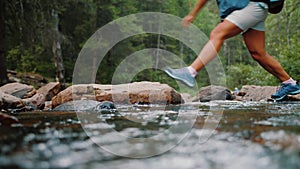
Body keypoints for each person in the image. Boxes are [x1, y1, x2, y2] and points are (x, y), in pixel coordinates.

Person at [164, 0, 300, 101]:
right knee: (258, 53)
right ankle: (290, 83)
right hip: (256, 7)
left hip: (251, 6)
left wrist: (192, 14)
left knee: (217, 34)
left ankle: (191, 71)